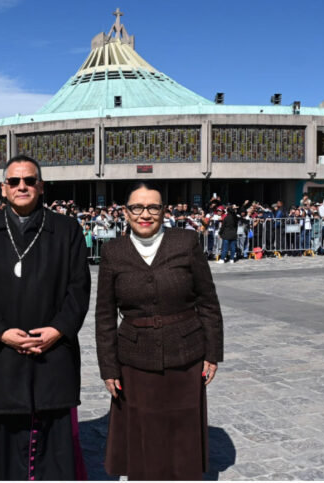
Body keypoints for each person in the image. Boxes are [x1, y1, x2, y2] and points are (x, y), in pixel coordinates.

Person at [0, 155, 90, 480]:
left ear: (41, 186)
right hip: (3, 352)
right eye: (14, 181)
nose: (22, 186)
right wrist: (1, 332)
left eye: (29, 180)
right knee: (3, 433)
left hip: (54, 351)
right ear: (4, 189)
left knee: (53, 431)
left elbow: (79, 288)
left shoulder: (66, 230)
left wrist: (58, 330)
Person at [95, 181, 224, 480]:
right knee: (145, 433)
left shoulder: (186, 242)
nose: (145, 214)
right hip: (135, 359)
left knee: (183, 430)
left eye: (153, 207)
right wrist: (108, 368)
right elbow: (104, 314)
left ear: (164, 211)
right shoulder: (113, 251)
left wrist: (213, 353)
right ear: (125, 212)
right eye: (137, 207)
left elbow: (208, 301)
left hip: (186, 354)